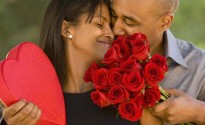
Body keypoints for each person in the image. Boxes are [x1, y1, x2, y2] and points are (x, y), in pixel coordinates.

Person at [0, 0, 162, 125]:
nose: (111, 34)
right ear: (67, 29)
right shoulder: (30, 105)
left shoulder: (131, 93)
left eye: (110, 26)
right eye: (100, 23)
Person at [110, 0, 205, 125]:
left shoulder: (200, 66)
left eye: (129, 22)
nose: (115, 29)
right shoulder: (98, 49)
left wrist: (199, 113)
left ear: (164, 23)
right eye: (113, 15)